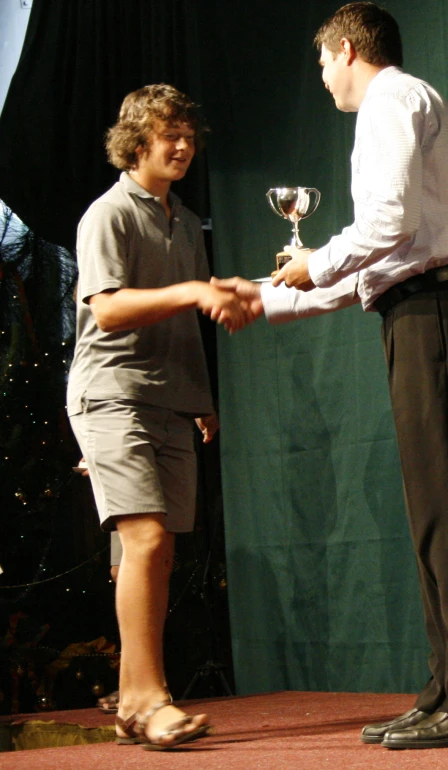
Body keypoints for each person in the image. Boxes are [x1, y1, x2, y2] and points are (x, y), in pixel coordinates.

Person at [212, 1, 448, 750]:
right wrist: (273, 295)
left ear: (347, 49)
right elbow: (384, 260)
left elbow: (388, 225)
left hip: (440, 309)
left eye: (321, 61)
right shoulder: (396, 107)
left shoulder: (389, 99)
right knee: (434, 512)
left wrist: (309, 263)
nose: (321, 77)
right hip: (422, 307)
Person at [67, 83, 250, 750]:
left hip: (173, 401)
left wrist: (201, 400)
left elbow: (189, 320)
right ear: (136, 142)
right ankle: (150, 700)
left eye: (189, 135)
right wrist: (195, 290)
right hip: (113, 393)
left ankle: (131, 701)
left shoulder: (185, 219)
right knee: (143, 540)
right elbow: (107, 308)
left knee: (159, 552)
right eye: (169, 134)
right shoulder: (107, 215)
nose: (183, 146)